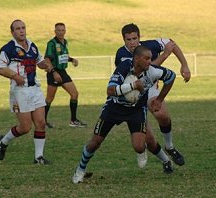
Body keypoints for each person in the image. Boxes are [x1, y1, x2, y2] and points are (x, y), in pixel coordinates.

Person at [72, 45, 176, 184]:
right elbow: (110, 90)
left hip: (136, 110)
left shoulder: (153, 71)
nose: (150, 61)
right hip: (114, 108)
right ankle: (80, 169)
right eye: (147, 58)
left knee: (139, 146)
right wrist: (133, 86)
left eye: (151, 58)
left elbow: (171, 77)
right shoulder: (124, 67)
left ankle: (142, 151)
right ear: (137, 58)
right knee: (95, 142)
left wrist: (159, 100)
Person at [115, 23, 191, 168]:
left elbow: (171, 43)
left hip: (150, 89)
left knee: (162, 114)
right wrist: (165, 55)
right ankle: (166, 161)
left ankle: (170, 146)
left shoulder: (149, 45)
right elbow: (144, 72)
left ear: (139, 37)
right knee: (148, 139)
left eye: (134, 38)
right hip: (134, 94)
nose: (132, 43)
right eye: (128, 40)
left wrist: (184, 65)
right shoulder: (121, 55)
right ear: (123, 40)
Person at [0, 19, 54, 164]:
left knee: (40, 122)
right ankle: (4, 142)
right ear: (12, 32)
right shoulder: (8, 48)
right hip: (20, 91)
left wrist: (45, 64)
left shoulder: (32, 45)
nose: (21, 31)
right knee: (25, 127)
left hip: (35, 88)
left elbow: (39, 61)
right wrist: (15, 76)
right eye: (17, 29)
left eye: (23, 28)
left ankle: (38, 157)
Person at [44, 23, 86, 128]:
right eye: (59, 30)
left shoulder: (65, 42)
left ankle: (73, 120)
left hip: (63, 72)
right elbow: (47, 59)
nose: (61, 32)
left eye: (63, 30)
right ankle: (42, 120)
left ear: (65, 31)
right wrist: (54, 72)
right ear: (55, 31)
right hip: (53, 72)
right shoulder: (52, 43)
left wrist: (72, 60)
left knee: (74, 94)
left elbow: (63, 56)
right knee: (49, 99)